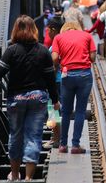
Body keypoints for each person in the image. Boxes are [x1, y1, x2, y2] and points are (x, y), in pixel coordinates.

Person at [0, 15, 59, 181]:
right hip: (38, 99)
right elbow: (50, 78)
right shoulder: (42, 51)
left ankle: (14, 175)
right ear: (34, 30)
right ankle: (28, 178)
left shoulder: (12, 50)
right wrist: (55, 100)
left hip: (16, 99)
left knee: (16, 136)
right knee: (34, 137)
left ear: (16, 30)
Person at [51, 21, 96, 154]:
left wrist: (59, 64)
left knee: (66, 111)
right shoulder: (87, 36)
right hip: (84, 75)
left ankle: (63, 145)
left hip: (67, 75)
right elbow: (93, 57)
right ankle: (75, 145)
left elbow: (54, 57)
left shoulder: (58, 38)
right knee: (80, 111)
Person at [43, 17, 64, 149]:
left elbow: (54, 65)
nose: (47, 32)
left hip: (55, 81)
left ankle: (55, 139)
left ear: (53, 29)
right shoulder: (61, 41)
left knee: (53, 110)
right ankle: (56, 137)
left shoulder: (56, 43)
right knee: (55, 110)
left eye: (48, 29)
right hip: (59, 80)